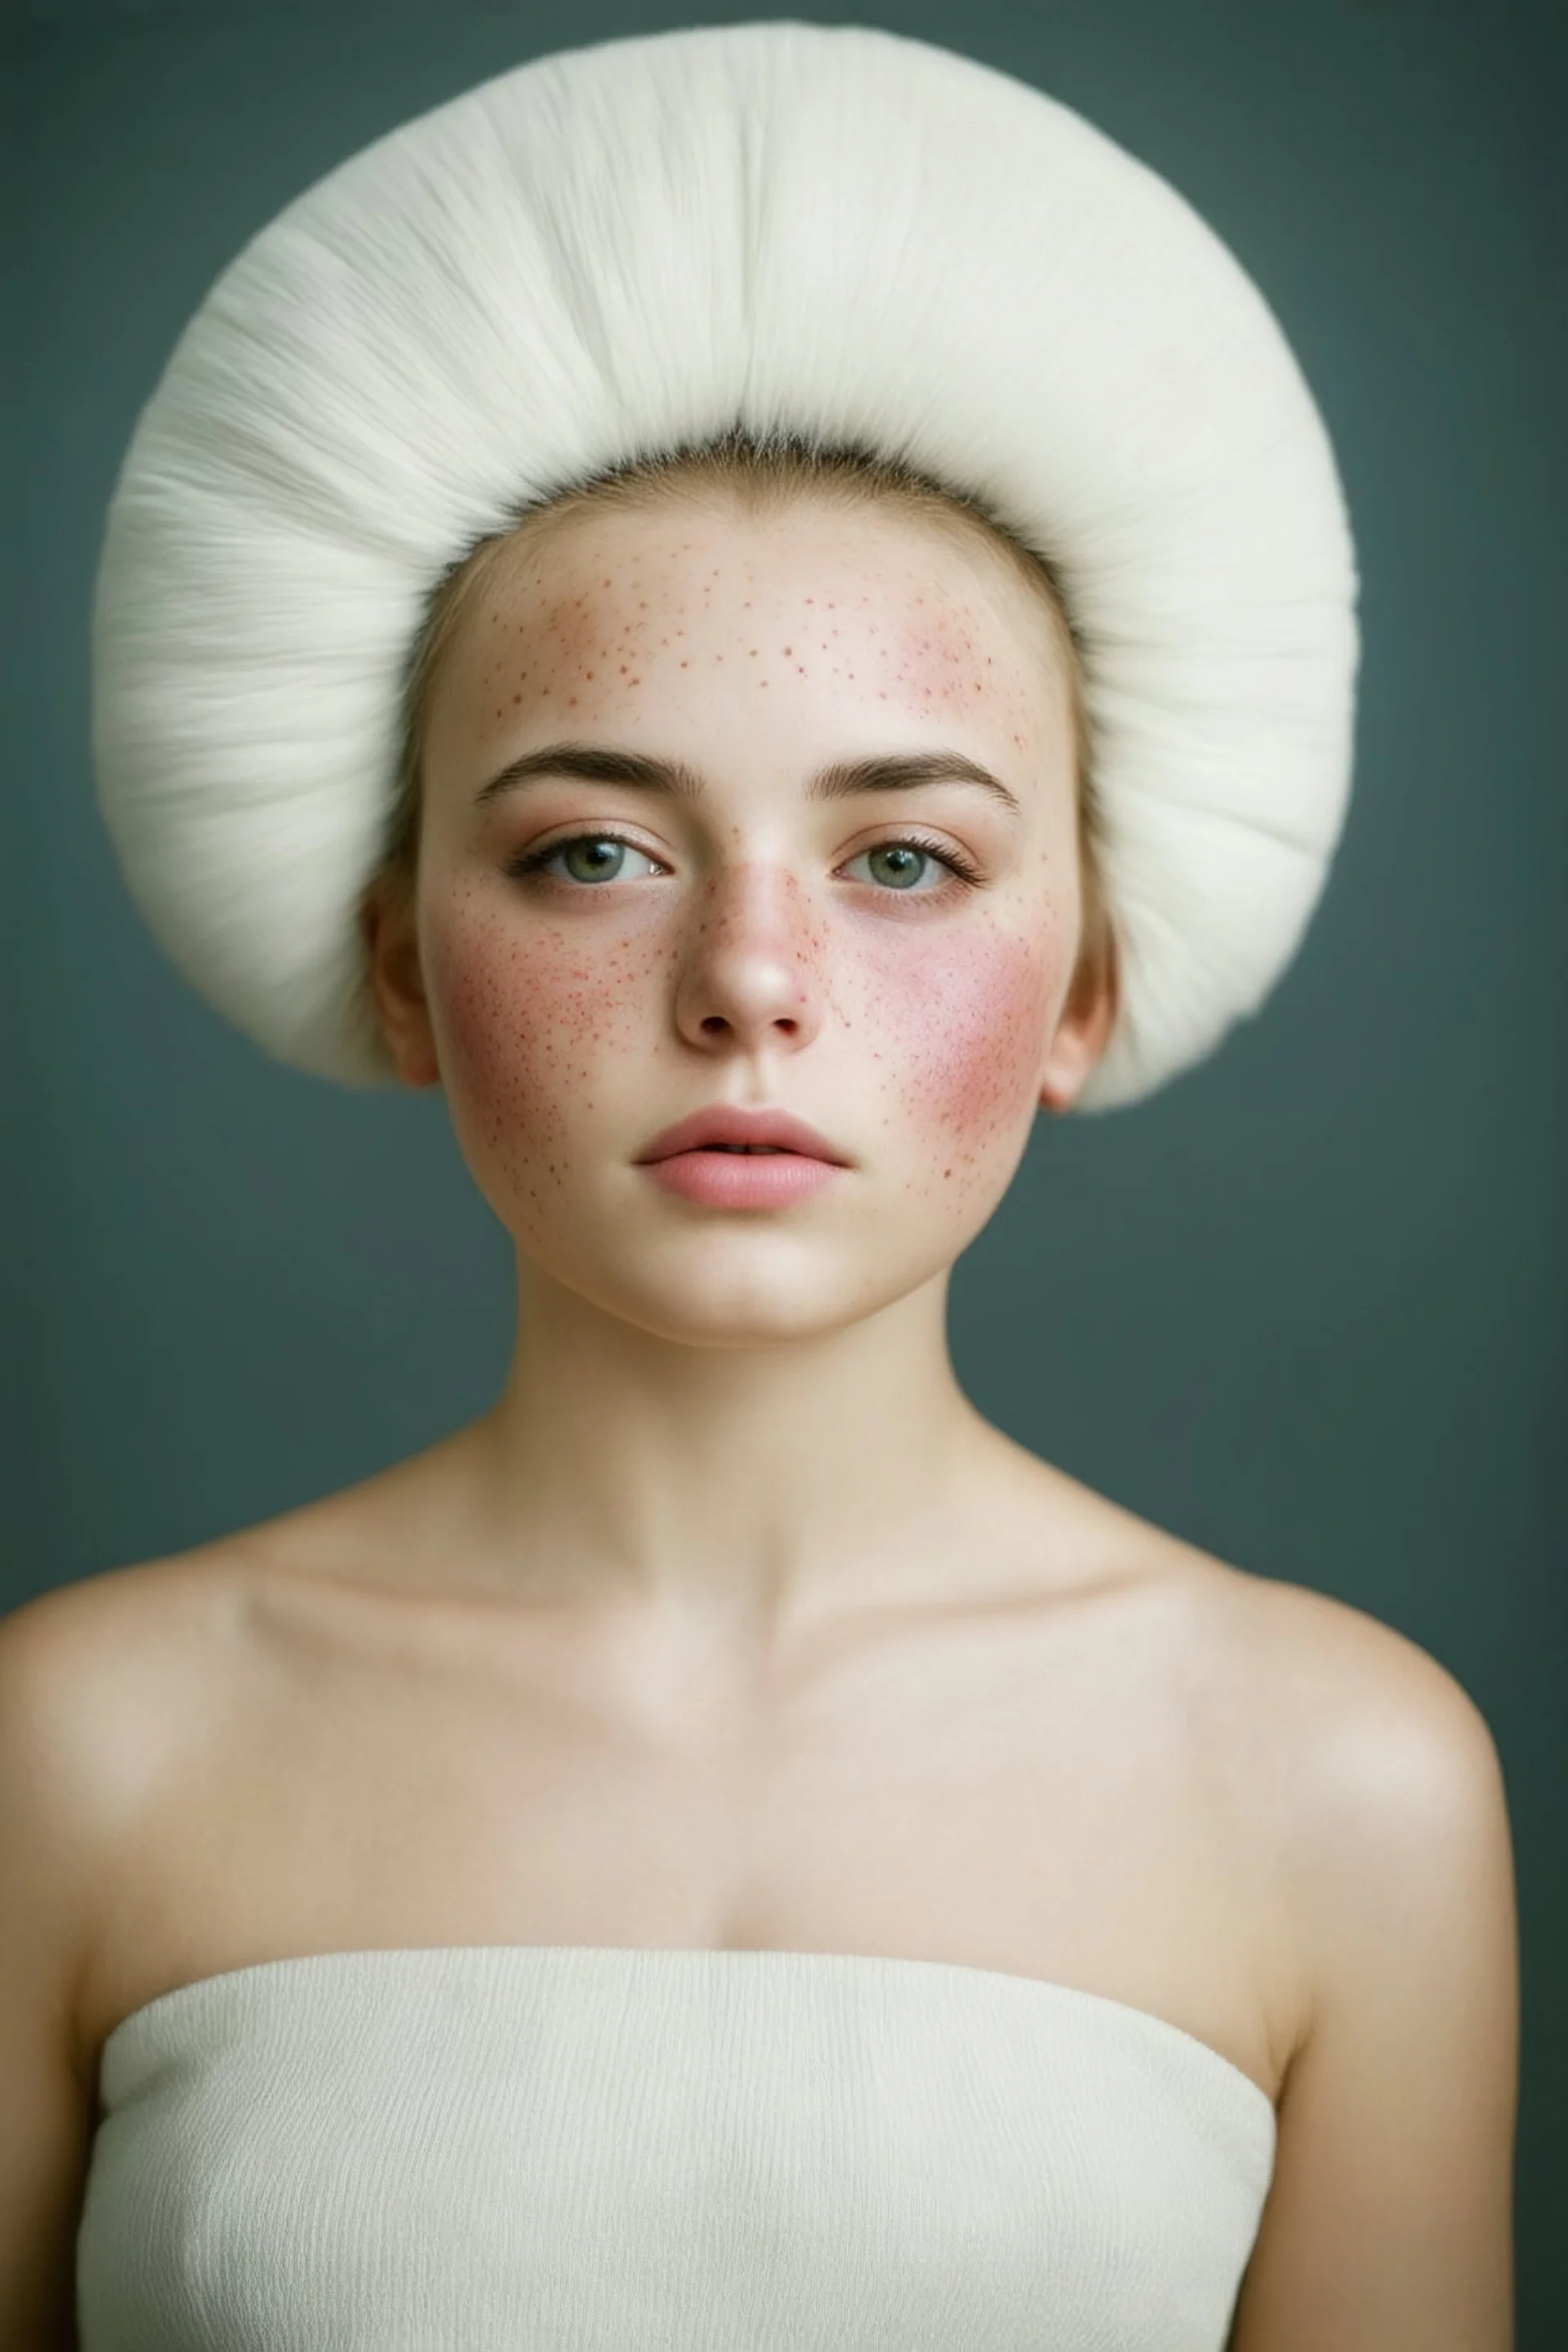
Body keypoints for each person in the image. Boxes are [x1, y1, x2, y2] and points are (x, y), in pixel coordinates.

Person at [0, 22, 1517, 2350]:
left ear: (1088, 978)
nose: (748, 982)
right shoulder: (71, 1756)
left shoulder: (1347, 1785)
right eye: (593, 850)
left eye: (904, 857)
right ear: (405, 968)